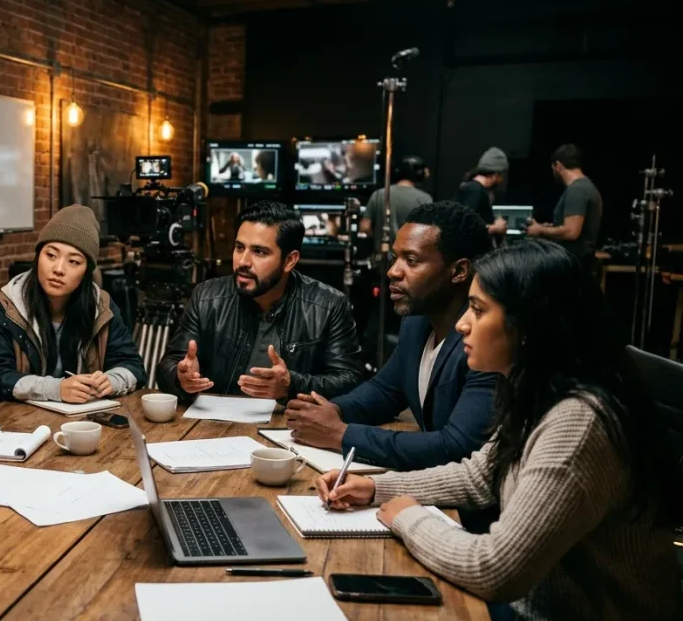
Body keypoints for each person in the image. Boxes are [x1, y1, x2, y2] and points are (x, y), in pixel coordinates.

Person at [317, 239, 680, 621]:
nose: (461, 325)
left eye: (478, 310)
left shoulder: (577, 423)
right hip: (538, 610)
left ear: (529, 326)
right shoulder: (537, 389)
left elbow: (495, 570)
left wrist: (407, 516)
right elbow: (479, 476)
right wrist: (375, 488)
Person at [286, 201, 497, 471]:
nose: (393, 271)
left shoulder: (486, 341)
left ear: (458, 271)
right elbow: (385, 391)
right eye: (395, 258)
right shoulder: (417, 321)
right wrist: (331, 411)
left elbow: (456, 447)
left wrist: (341, 435)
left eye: (411, 261)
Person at [157, 201, 361, 403]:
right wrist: (180, 378)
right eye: (239, 247)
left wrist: (292, 385)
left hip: (289, 426)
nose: (243, 261)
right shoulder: (206, 297)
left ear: (289, 260)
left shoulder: (328, 305)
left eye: (259, 252)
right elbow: (170, 365)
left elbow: (349, 381)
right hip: (215, 425)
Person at [0, 205, 146, 402]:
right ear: (38, 256)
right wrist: (55, 389)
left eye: (74, 261)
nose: (58, 269)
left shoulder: (102, 307)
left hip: (85, 423)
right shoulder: (6, 307)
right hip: (22, 423)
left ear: (86, 271)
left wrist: (111, 381)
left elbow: (133, 366)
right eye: (51, 255)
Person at [527, 144, 602, 275]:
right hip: (579, 261)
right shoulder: (586, 187)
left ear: (558, 165)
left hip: (574, 263)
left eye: (553, 168)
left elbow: (571, 232)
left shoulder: (577, 190)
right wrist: (549, 226)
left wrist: (540, 230)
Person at [360, 155, 433, 239]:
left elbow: (365, 227)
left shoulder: (378, 194)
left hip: (382, 251)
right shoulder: (425, 198)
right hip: (410, 251)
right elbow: (428, 232)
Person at [455, 147, 509, 239]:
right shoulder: (475, 190)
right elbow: (466, 228)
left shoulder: (473, 188)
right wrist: (496, 228)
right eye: (502, 176)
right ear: (496, 175)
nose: (502, 181)